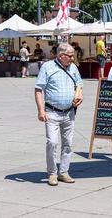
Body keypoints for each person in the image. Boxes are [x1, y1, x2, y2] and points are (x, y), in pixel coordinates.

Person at [34, 43, 83, 186]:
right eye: (70, 56)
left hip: (69, 112)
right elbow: (38, 89)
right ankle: (52, 173)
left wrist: (79, 94)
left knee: (68, 144)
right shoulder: (47, 67)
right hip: (52, 112)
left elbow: (79, 84)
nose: (73, 58)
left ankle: (63, 172)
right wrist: (41, 110)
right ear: (61, 56)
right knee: (52, 142)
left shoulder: (73, 68)